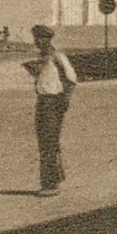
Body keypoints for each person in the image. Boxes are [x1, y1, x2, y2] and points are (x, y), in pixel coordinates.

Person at [29, 24, 78, 197]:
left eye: (39, 39)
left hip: (53, 102)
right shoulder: (42, 57)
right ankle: (54, 179)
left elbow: (71, 79)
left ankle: (50, 184)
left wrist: (64, 101)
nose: (36, 42)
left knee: (49, 143)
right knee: (45, 142)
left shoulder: (57, 56)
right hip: (42, 101)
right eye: (35, 38)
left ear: (47, 39)